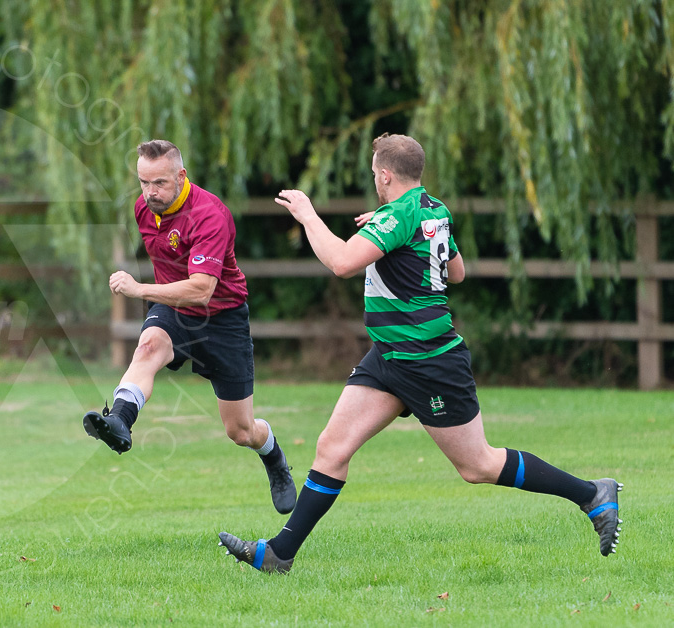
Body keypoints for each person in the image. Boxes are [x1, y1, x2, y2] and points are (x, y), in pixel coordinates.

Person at [218, 133, 621, 574]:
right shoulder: (433, 210)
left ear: (386, 175)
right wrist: (391, 231)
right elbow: (458, 271)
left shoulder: (399, 216)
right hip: (390, 357)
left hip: (428, 360)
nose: (375, 179)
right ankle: (279, 554)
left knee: (478, 465)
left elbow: (342, 263)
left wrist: (308, 214)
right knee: (332, 448)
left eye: (375, 173)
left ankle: (592, 494)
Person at [83, 140, 297, 514]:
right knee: (148, 347)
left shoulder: (210, 214)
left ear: (182, 176)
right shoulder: (144, 209)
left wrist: (139, 289)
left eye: (160, 183)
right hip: (175, 311)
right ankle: (119, 421)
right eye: (143, 182)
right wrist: (155, 297)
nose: (150, 193)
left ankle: (275, 459)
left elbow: (202, 289)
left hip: (223, 318)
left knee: (240, 431)